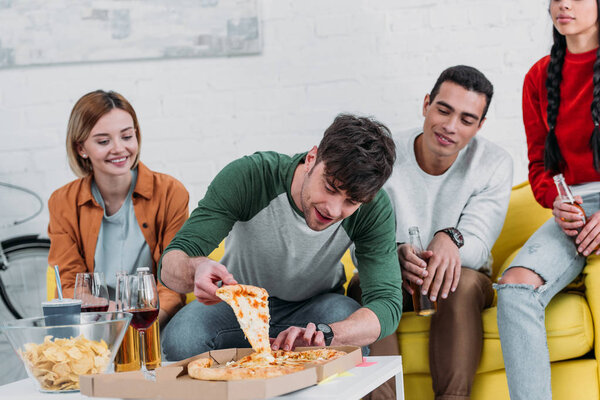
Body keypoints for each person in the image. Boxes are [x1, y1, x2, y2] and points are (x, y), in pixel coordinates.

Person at [158, 113, 403, 361]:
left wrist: (327, 334)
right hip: (239, 304)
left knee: (347, 323)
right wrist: (196, 268)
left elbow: (387, 304)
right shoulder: (251, 176)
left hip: (316, 308)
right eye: (330, 187)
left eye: (351, 201)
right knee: (182, 338)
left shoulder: (373, 208)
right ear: (311, 159)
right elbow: (170, 263)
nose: (333, 209)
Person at [348, 65, 513, 400]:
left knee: (459, 281)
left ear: (479, 126)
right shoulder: (383, 156)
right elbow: (357, 241)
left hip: (461, 284)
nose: (450, 127)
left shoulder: (494, 162)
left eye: (467, 120)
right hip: (395, 278)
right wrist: (394, 255)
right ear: (426, 104)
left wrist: (448, 239)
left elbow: (479, 245)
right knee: (365, 282)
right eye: (443, 110)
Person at [496, 1, 600, 399]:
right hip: (572, 209)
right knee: (515, 288)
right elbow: (539, 165)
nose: (563, 4)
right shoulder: (539, 77)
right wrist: (556, 201)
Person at [47, 90, 188, 327]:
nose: (119, 149)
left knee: (181, 341)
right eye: (103, 141)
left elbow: (172, 284)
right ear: (81, 148)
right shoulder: (63, 202)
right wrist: (114, 318)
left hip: (154, 319)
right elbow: (71, 286)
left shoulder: (170, 192)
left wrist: (141, 328)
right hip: (97, 322)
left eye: (127, 136)